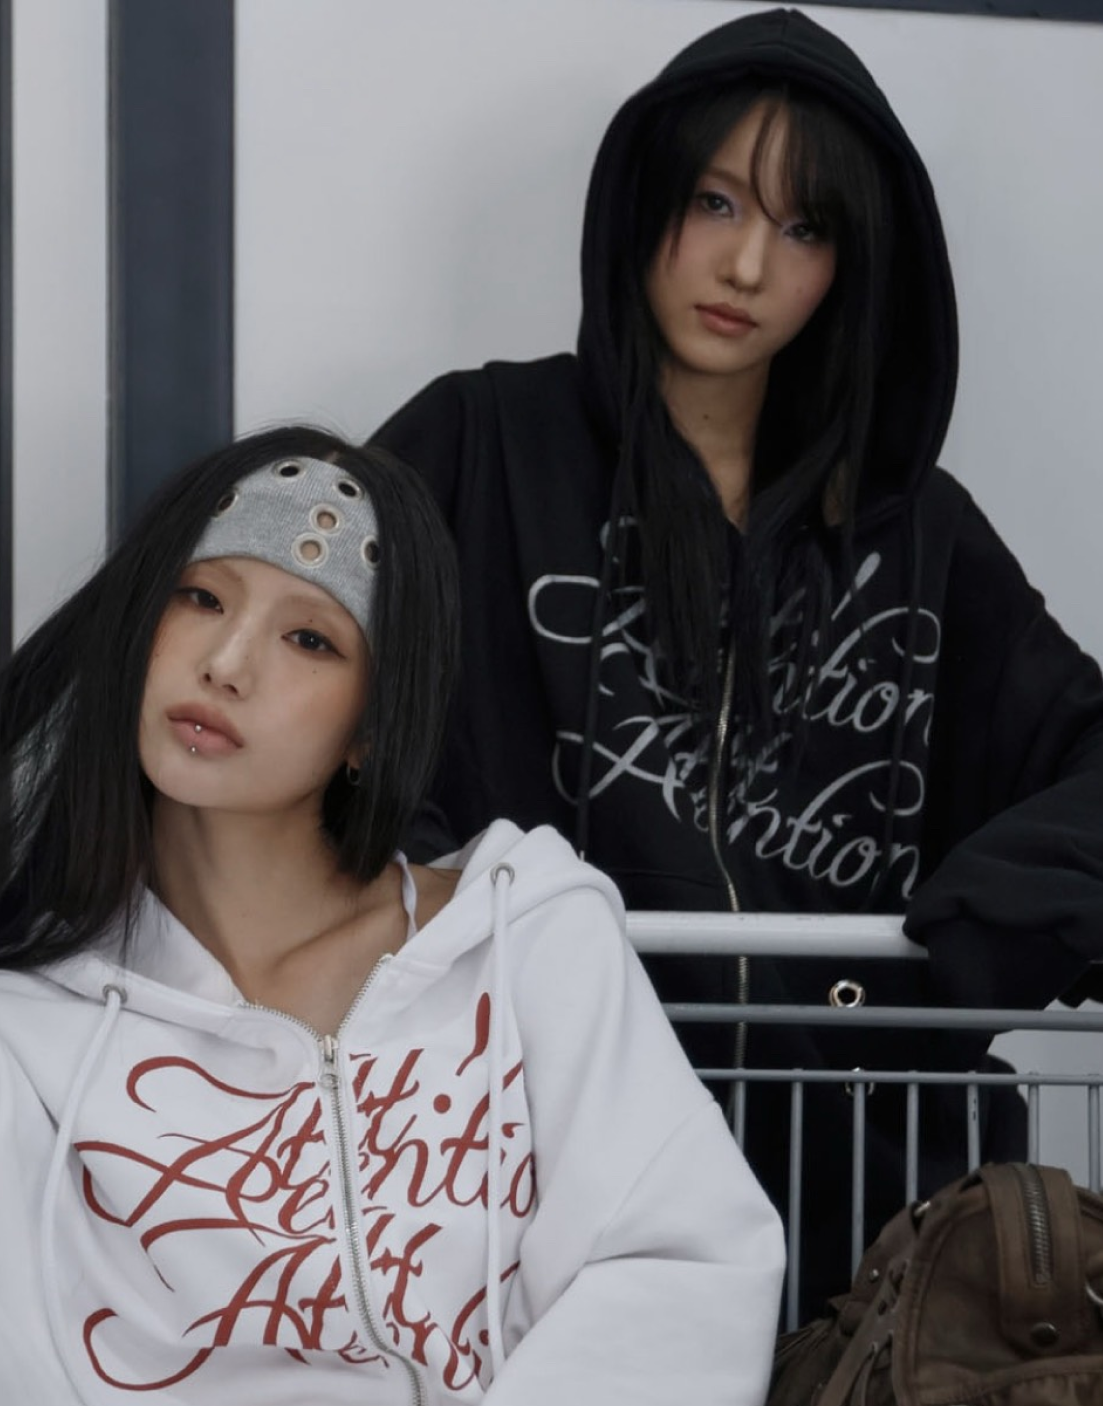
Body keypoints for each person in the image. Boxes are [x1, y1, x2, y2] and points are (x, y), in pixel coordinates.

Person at [0, 425, 783, 1406]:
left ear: (373, 721)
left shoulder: (527, 939)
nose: (226, 663)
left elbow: (671, 1277)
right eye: (200, 598)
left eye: (310, 638)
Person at [373, 6, 1103, 1304]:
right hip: (540, 1184)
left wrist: (969, 940)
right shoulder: (483, 445)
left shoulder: (916, 533)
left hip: (865, 1216)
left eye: (804, 228)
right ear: (645, 199)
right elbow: (316, 702)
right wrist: (465, 907)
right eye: (716, 202)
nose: (748, 265)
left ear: (851, 268)